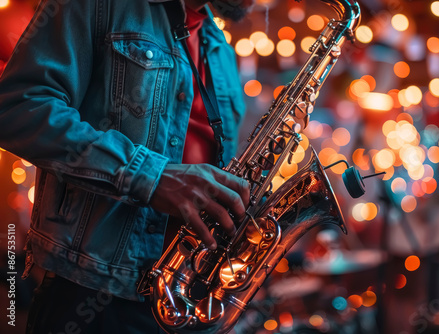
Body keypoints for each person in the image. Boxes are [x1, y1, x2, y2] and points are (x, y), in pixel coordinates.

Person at [0, 0, 253, 332]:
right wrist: (152, 176)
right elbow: (17, 108)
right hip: (91, 296)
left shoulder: (221, 51)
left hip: (186, 301)